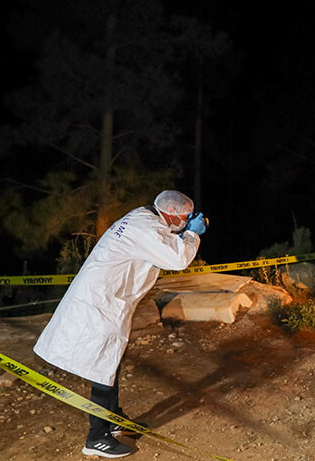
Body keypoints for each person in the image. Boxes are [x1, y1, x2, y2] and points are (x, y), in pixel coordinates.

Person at [34, 190, 207, 458]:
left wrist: (183, 233)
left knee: (110, 362)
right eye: (184, 217)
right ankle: (96, 437)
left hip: (109, 300)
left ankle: (114, 420)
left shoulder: (145, 219)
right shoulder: (145, 228)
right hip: (100, 304)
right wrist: (192, 235)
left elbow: (161, 245)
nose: (186, 222)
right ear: (171, 213)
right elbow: (178, 259)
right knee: (103, 365)